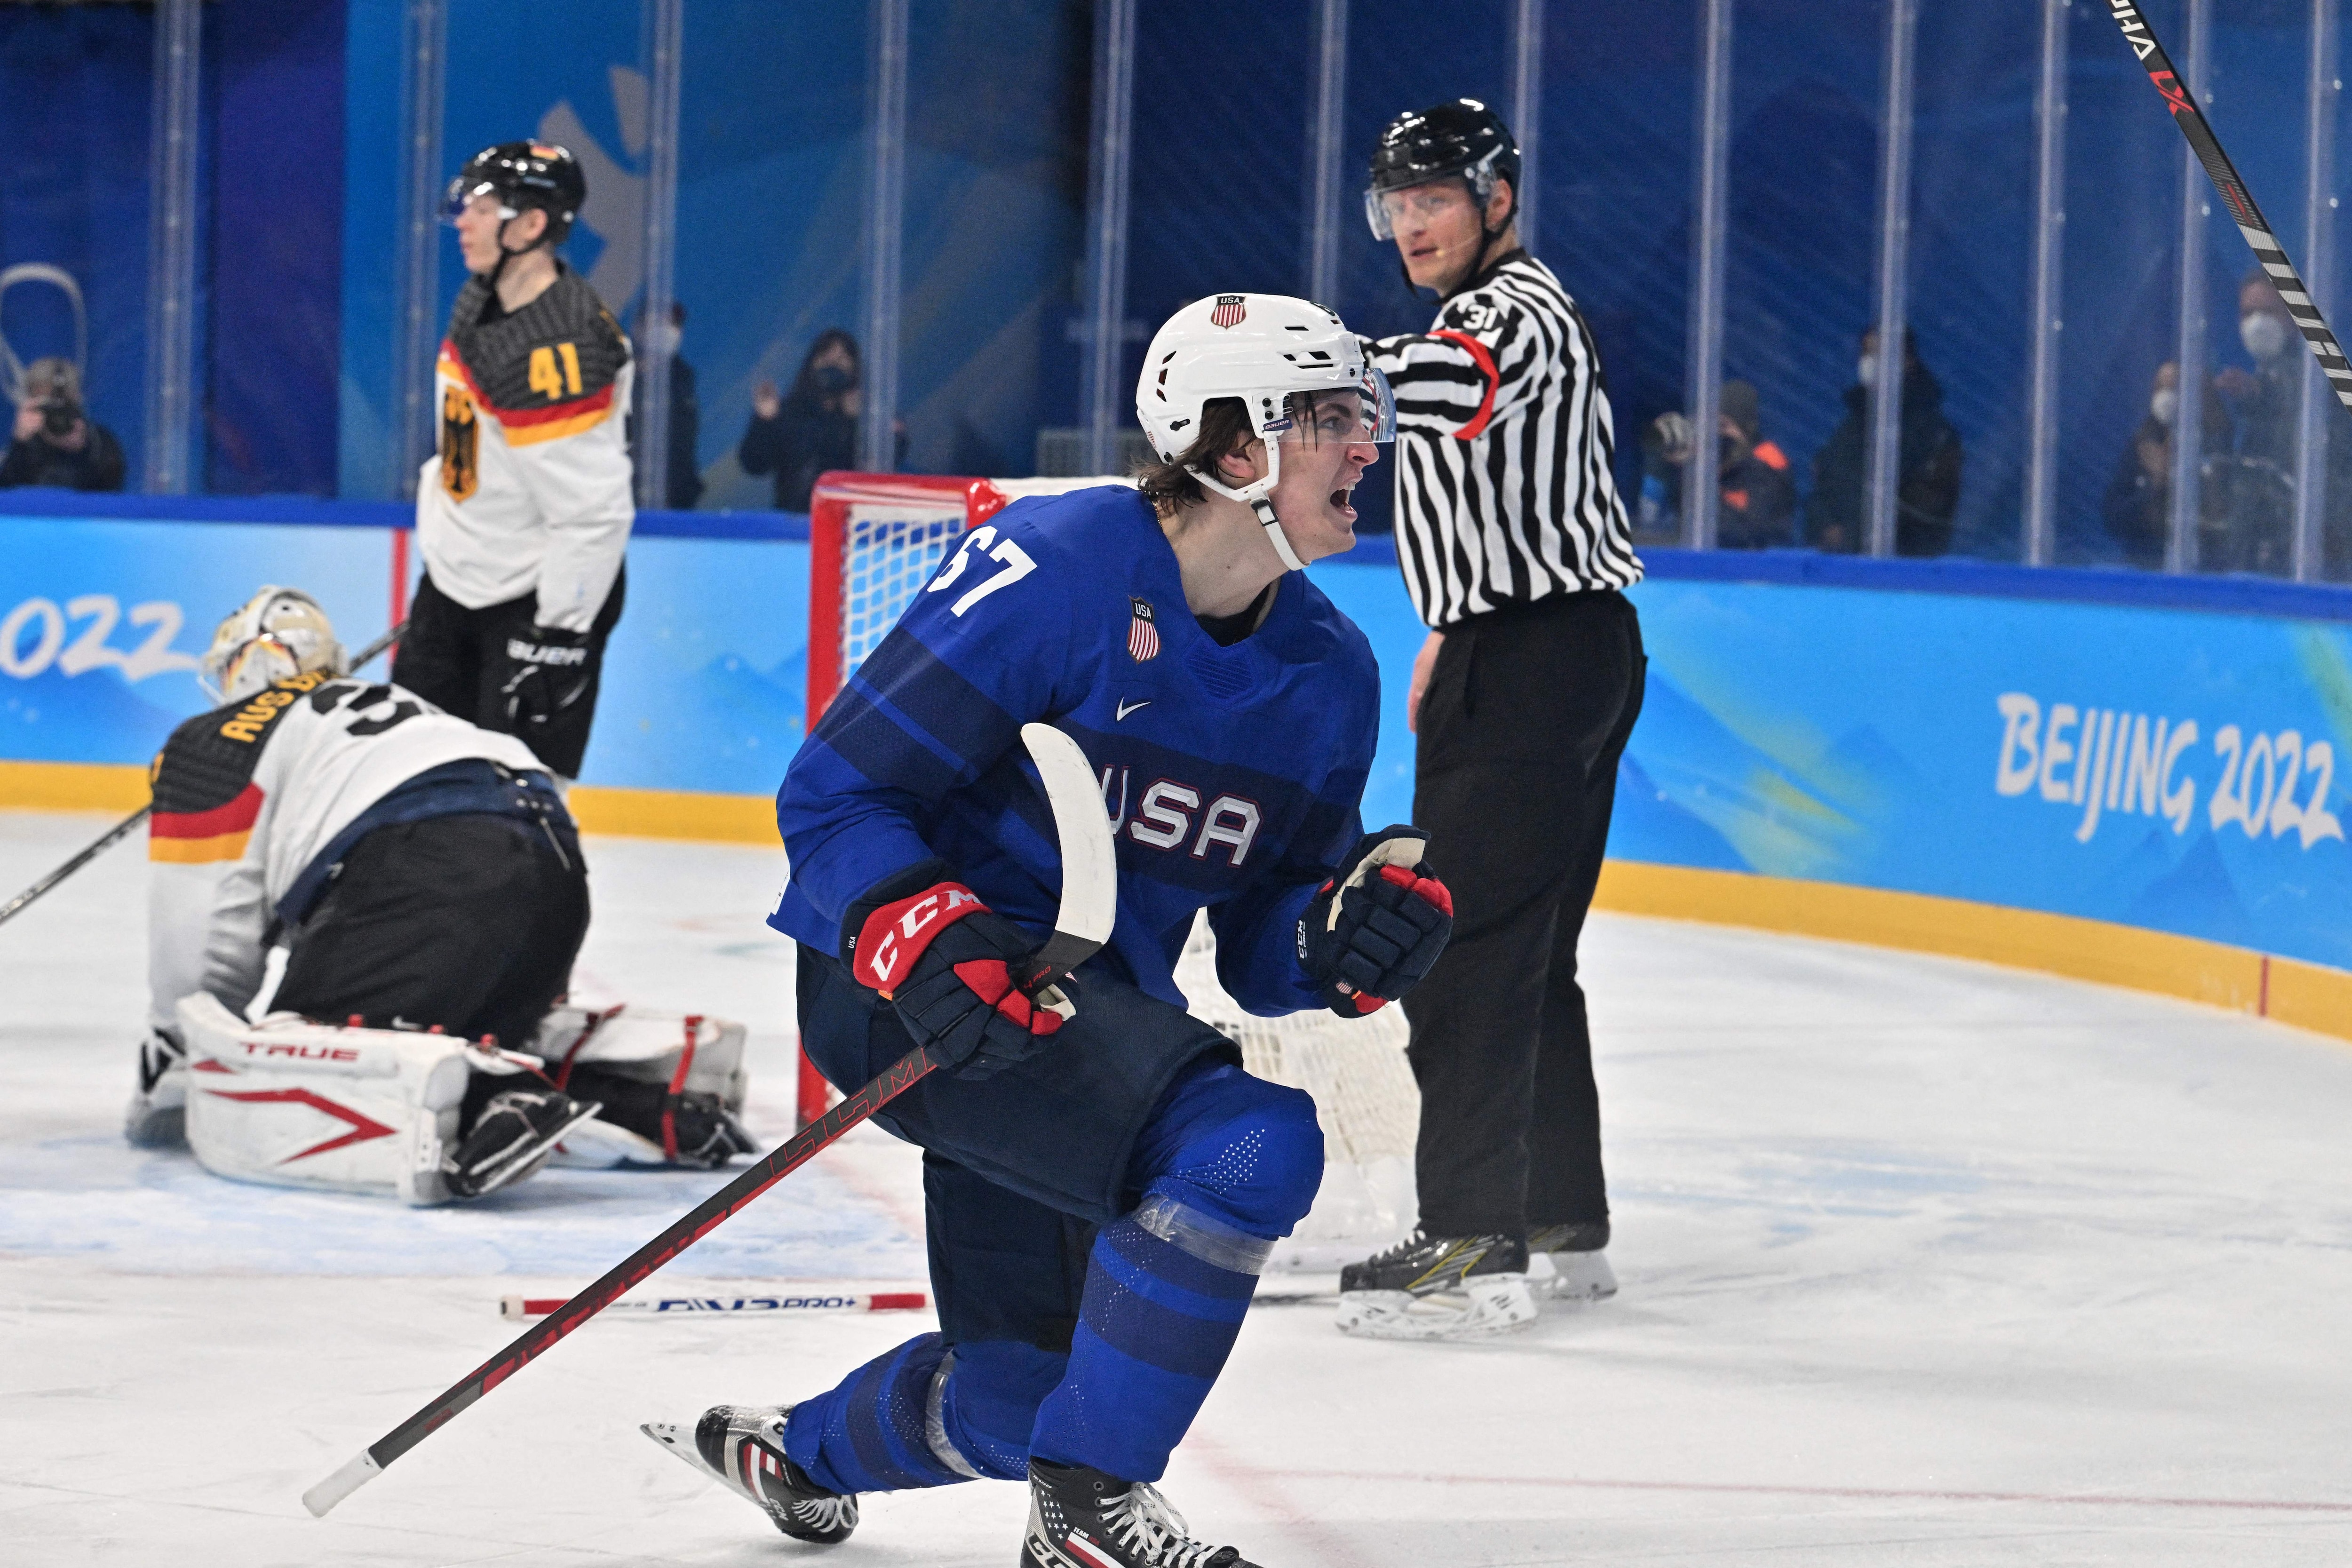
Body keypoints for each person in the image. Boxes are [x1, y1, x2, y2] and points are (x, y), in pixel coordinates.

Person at [641, 294, 1452, 1567]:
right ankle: (1091, 1509)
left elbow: (1254, 947)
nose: (1367, 446)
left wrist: (1342, 942)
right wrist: (931, 937)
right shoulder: (1060, 567)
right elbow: (837, 789)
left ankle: (792, 1448)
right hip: (904, 987)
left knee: (1021, 1390)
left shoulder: (1329, 675)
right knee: (1249, 1142)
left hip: (1078, 1017)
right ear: (1234, 444)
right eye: (1333, 419)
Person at [125, 587, 751, 1198]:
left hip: (429, 874)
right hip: (553, 877)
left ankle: (498, 1098)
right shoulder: (399, 707)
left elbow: (203, 933)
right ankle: (653, 1106)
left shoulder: (217, 737)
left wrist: (180, 1062)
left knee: (307, 1051)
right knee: (448, 1030)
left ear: (245, 665)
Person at [1342, 98, 1645, 1337]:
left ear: (1496, 201)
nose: (1413, 228)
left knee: (1461, 948)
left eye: (1435, 203)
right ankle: (1559, 1217)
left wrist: (1304, 364)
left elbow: (1452, 391)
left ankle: (1473, 1238)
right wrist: (1455, 629)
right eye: (1397, 208)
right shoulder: (1513, 305)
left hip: (1532, 667)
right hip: (1551, 649)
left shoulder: (1502, 314)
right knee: (1532, 954)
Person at [391, 142, 634, 785]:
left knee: (510, 800)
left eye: (481, 206)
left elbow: (593, 515)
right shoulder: (485, 293)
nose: (463, 221)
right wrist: (449, 573)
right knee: (408, 777)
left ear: (530, 225)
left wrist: (556, 635)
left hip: (529, 603)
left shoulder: (561, 349)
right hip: (458, 585)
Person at [1805, 326, 1963, 557]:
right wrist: (1824, 528)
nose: (1870, 362)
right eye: (1866, 355)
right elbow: (1824, 488)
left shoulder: (1935, 435)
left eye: (1879, 354)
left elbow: (1925, 511)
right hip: (1842, 569)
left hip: (1906, 575)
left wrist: (1851, 535)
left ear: (1907, 361)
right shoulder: (1851, 427)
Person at [737, 329, 888, 511]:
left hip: (848, 524)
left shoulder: (868, 418)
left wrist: (853, 422)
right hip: (794, 527)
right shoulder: (790, 413)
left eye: (841, 359)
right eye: (826, 357)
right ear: (812, 364)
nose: (833, 365)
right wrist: (765, 421)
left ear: (854, 370)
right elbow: (755, 465)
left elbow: (880, 468)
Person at [2101, 360, 2230, 570]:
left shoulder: (2221, 447)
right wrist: (2157, 484)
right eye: (2162, 389)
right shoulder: (2144, 444)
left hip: (2206, 572)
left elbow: (2225, 527)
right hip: (2146, 566)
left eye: (2175, 389)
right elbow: (2113, 516)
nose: (2167, 397)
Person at [1638, 379, 1796, 548]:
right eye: (1710, 427)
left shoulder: (1767, 464)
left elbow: (1750, 532)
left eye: (1724, 426)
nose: (1716, 437)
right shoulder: (1706, 467)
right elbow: (1669, 520)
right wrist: (1680, 467)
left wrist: (1705, 478)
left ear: (1747, 430)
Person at [0, 356, 125, 492]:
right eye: (48, 405)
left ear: (77, 399)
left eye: (63, 406)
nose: (56, 413)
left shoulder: (98, 442)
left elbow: (112, 487)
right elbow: (7, 492)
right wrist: (20, 442)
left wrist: (82, 450)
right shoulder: (28, 444)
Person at [629, 300, 703, 510]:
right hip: (623, 505)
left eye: (674, 325)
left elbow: (684, 446)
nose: (668, 332)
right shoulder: (616, 376)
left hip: (677, 504)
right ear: (638, 328)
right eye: (659, 324)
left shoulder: (683, 379)